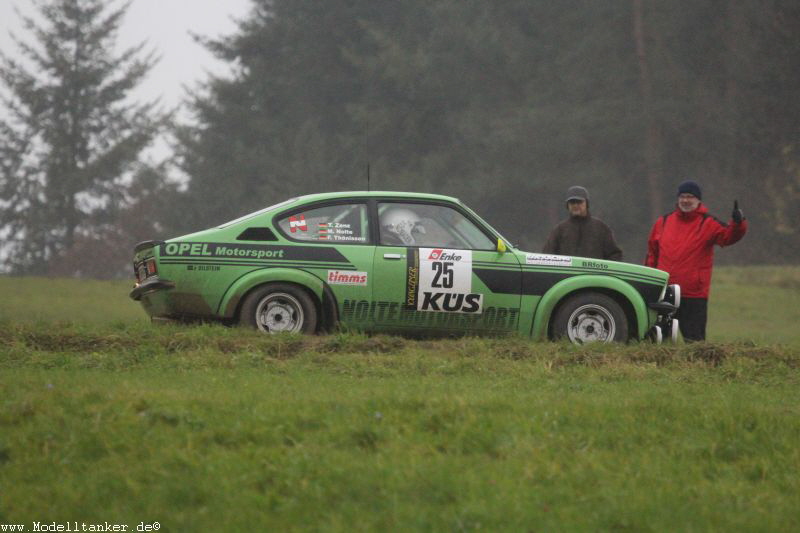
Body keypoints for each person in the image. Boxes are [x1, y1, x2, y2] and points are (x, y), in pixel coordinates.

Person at [645, 180, 748, 341]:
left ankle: (697, 367)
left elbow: (728, 237)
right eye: (682, 196)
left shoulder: (708, 223)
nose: (685, 200)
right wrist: (648, 282)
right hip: (665, 292)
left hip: (693, 294)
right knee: (659, 340)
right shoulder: (663, 222)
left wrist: (738, 223)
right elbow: (652, 254)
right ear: (678, 199)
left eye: (690, 197)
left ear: (698, 200)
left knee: (694, 341)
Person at [542, 185, 623, 260]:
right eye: (572, 202)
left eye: (579, 202)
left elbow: (615, 255)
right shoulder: (560, 230)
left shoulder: (601, 228)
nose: (575, 205)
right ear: (567, 205)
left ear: (587, 204)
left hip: (593, 275)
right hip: (567, 275)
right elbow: (547, 257)